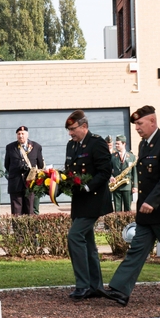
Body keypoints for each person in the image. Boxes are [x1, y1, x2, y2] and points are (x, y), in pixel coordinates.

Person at [100, 105, 160, 307]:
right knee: (136, 250)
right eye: (135, 124)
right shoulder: (144, 145)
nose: (136, 128)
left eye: (139, 123)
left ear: (152, 122)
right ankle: (120, 290)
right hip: (146, 213)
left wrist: (151, 202)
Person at [64, 110, 113, 300]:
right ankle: (95, 286)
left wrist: (86, 186)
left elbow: (105, 171)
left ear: (84, 126)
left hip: (93, 200)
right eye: (68, 130)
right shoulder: (71, 145)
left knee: (75, 237)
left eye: (73, 129)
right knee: (89, 244)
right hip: (79, 201)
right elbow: (70, 172)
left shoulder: (97, 143)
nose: (70, 133)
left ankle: (83, 285)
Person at [4, 126, 44, 215]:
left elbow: (40, 165)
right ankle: (17, 229)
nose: (21, 136)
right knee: (16, 212)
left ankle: (30, 229)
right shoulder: (10, 147)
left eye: (23, 134)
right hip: (16, 184)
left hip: (30, 184)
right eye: (18, 134)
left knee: (30, 210)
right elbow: (7, 165)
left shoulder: (36, 147)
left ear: (27, 134)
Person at [110, 135, 137, 212]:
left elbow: (134, 172)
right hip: (116, 185)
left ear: (124, 144)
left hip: (127, 186)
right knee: (117, 209)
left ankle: (128, 224)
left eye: (118, 144)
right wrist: (111, 177)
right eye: (116, 144)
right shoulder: (112, 156)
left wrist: (135, 186)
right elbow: (108, 170)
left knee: (127, 209)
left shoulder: (132, 156)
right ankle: (117, 224)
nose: (116, 145)